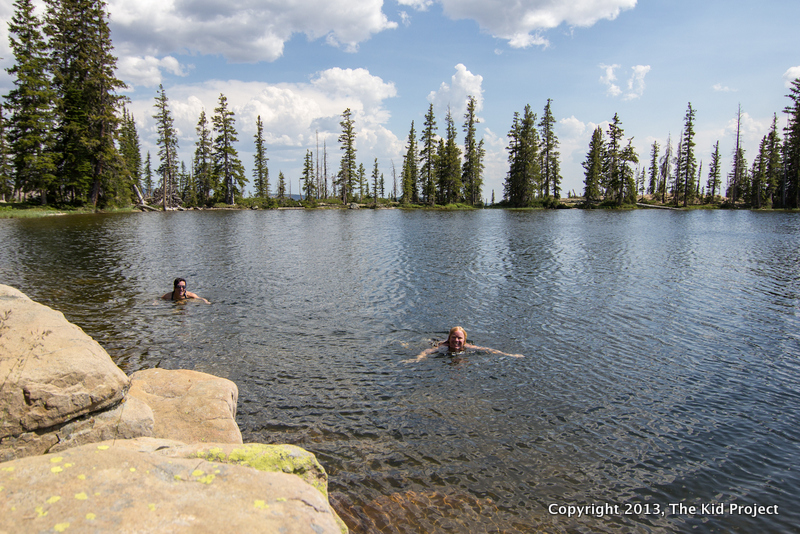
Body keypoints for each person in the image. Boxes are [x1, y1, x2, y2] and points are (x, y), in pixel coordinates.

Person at [408, 326, 524, 361]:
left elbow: (486, 349)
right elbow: (427, 351)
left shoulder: (467, 346)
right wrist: (417, 359)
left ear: (464, 340)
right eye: (454, 337)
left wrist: (509, 355)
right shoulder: (444, 345)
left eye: (460, 338)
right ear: (449, 338)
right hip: (432, 343)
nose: (456, 341)